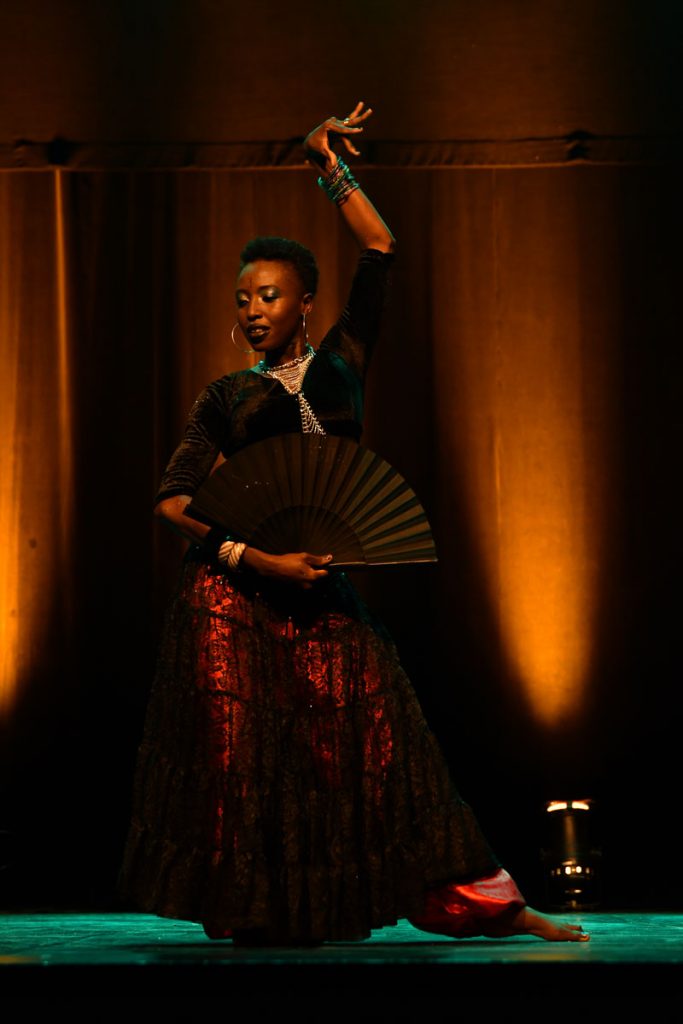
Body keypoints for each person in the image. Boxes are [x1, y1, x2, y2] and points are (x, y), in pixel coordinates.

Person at [117, 103, 589, 945]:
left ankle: (496, 908)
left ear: (305, 300)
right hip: (235, 600)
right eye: (243, 299)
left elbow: (380, 247)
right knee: (250, 766)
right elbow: (170, 501)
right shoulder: (226, 397)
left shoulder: (341, 366)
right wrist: (255, 558)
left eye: (270, 294)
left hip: (323, 595)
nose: (255, 309)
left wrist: (320, 160)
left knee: (390, 753)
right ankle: (265, 914)